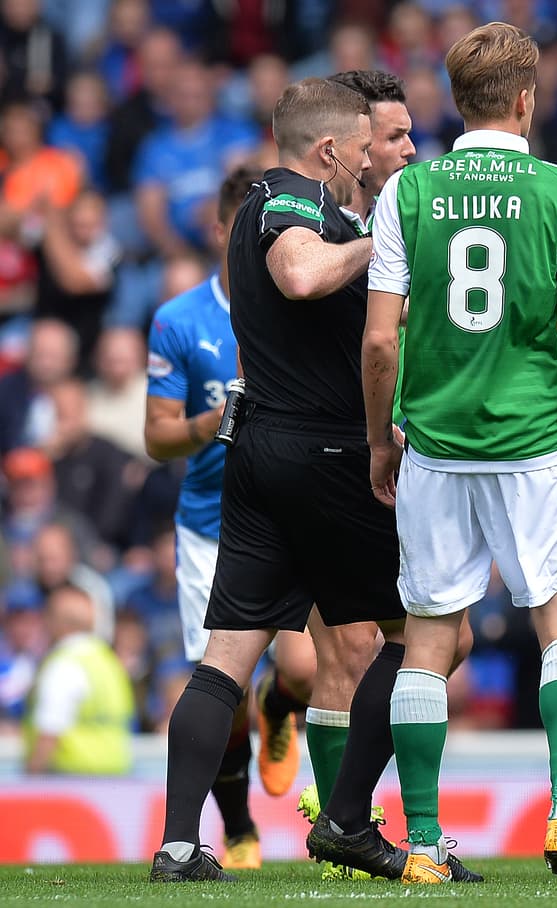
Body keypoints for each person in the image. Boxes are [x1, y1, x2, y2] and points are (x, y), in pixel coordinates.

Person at [342, 21, 557, 885]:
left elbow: (379, 344)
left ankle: (419, 844)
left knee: (429, 639)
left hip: (434, 445)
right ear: (526, 98)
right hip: (533, 441)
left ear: (456, 100)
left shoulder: (406, 191)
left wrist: (381, 439)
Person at [148, 78, 407, 885]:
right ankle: (347, 822)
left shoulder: (267, 200)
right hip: (322, 452)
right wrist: (387, 242)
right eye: (364, 150)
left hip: (259, 450)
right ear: (328, 149)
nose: (369, 164)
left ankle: (181, 845)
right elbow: (299, 276)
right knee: (431, 636)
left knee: (227, 657)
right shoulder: (290, 203)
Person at [299, 67, 481, 885]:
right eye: (396, 136)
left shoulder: (399, 216)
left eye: (414, 133)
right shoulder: (324, 225)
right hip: (351, 456)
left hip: (401, 449)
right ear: (351, 145)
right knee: (390, 642)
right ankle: (367, 831)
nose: (412, 149)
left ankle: (355, 824)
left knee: (418, 639)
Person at [144, 166, 317, 871]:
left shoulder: (301, 297)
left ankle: (286, 703)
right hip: (212, 523)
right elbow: (157, 438)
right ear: (223, 229)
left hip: (292, 513)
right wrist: (216, 421)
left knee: (303, 669)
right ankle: (239, 827)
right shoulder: (180, 319)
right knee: (222, 687)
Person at [22, 585, 134, 776]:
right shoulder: (107, 661)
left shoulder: (64, 664)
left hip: (70, 781)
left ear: (56, 622)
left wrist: (31, 777)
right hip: (115, 775)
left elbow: (50, 728)